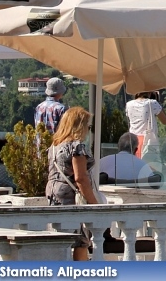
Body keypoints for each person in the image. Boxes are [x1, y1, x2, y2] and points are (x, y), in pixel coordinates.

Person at [46, 106, 98, 261]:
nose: (88, 130)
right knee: (81, 240)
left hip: (54, 193)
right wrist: (94, 204)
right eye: (88, 126)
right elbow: (80, 178)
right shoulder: (77, 147)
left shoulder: (54, 147)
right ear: (79, 126)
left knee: (60, 238)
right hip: (71, 195)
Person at [125, 91, 166, 161]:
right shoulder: (152, 103)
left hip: (133, 143)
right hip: (148, 142)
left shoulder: (128, 104)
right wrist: (158, 102)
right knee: (149, 169)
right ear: (149, 91)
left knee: (135, 168)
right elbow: (165, 121)